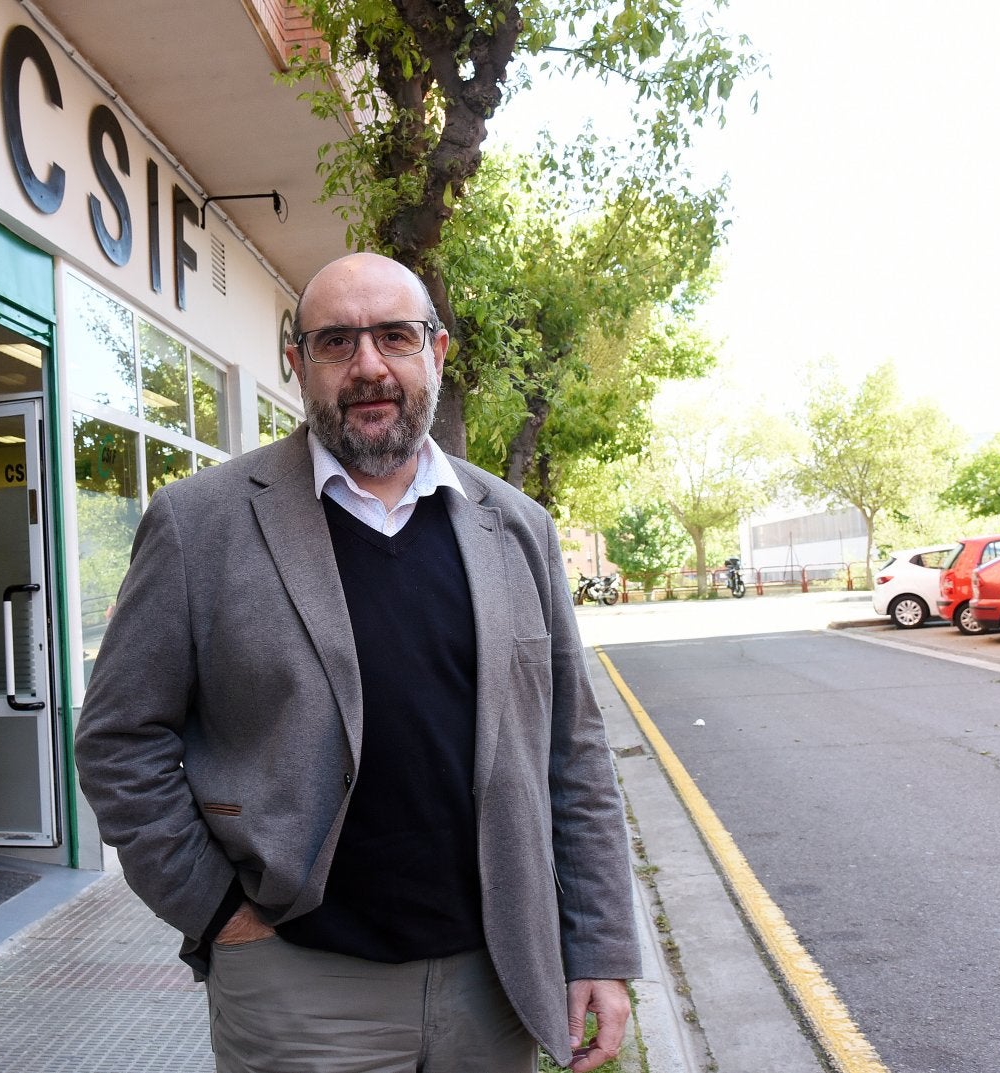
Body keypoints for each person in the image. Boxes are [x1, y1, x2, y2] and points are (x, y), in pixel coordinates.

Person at [75, 252, 640, 1072]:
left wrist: (598, 945)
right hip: (298, 985)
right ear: (298, 363)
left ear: (435, 354)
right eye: (337, 341)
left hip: (497, 981)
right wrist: (220, 914)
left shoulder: (517, 527)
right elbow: (120, 739)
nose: (369, 365)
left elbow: (573, 752)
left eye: (394, 336)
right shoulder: (200, 524)